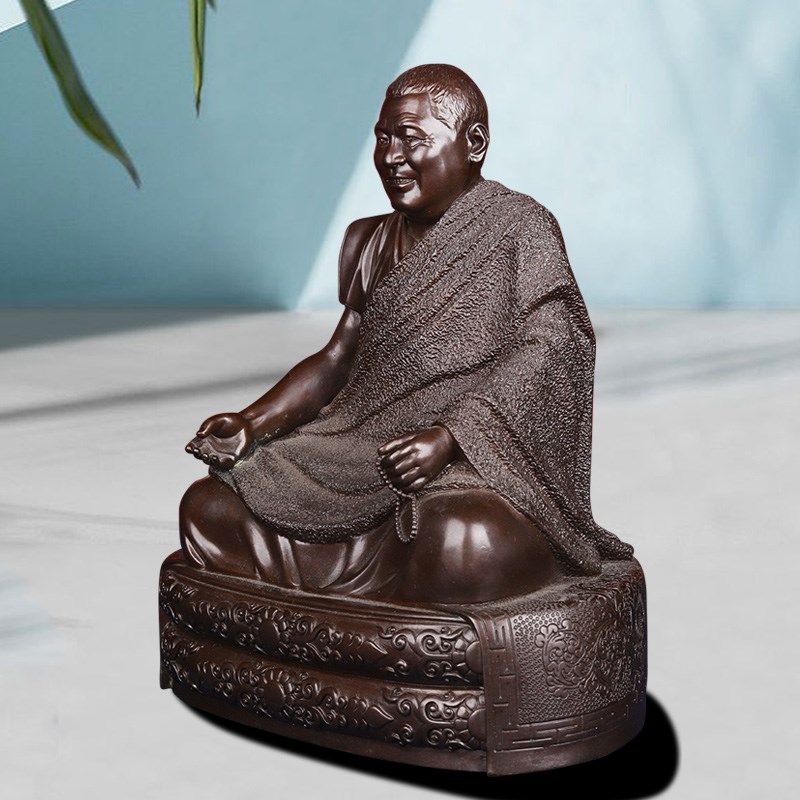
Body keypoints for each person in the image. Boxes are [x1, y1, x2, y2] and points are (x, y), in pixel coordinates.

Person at [179, 64, 632, 604]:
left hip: (466, 460)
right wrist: (252, 423)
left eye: (411, 139)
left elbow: (553, 346)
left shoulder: (520, 228)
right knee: (209, 507)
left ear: (474, 144)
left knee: (463, 539)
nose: (391, 157)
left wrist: (451, 435)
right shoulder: (368, 240)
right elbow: (338, 359)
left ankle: (407, 589)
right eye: (382, 138)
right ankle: (378, 594)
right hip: (358, 445)